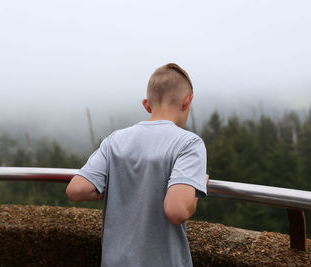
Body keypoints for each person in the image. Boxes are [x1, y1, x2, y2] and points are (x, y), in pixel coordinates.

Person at [66, 63, 208, 267]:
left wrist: (125, 185)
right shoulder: (188, 143)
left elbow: (77, 189)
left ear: (146, 105)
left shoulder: (115, 140)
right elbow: (177, 211)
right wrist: (195, 187)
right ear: (187, 101)